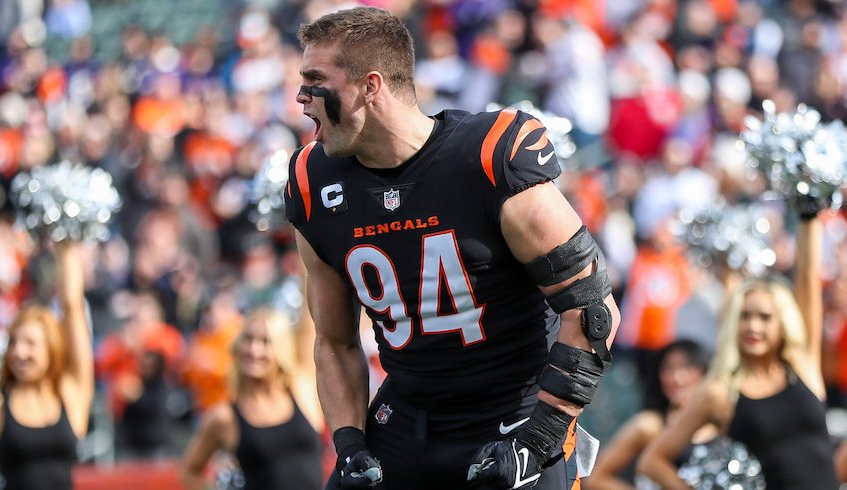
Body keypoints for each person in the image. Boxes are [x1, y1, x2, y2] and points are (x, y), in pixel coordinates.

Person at [284, 6, 620, 489]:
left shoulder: (487, 157)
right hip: (407, 418)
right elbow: (334, 340)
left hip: (511, 417)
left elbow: (593, 311)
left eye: (315, 79)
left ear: (370, 86)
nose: (300, 97)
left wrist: (539, 442)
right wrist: (350, 443)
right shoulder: (312, 183)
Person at [637, 214, 837, 489]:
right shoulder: (721, 391)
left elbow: (808, 277)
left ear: (783, 323)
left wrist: (807, 215)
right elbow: (652, 461)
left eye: (765, 317)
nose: (753, 326)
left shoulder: (802, 365)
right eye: (744, 316)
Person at [0, 240, 93, 490]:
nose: (19, 352)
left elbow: (73, 308)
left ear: (51, 351)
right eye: (14, 343)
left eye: (30, 343)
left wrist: (65, 242)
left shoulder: (72, 394)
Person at [180, 306, 325, 490]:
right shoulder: (225, 417)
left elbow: (310, 323)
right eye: (248, 340)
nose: (254, 350)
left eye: (266, 342)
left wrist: (308, 278)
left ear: (281, 348)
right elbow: (189, 472)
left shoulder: (302, 391)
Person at [584, 340, 714, 490]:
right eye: (669, 369)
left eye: (689, 367)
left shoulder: (718, 422)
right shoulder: (649, 425)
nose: (678, 377)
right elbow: (596, 478)